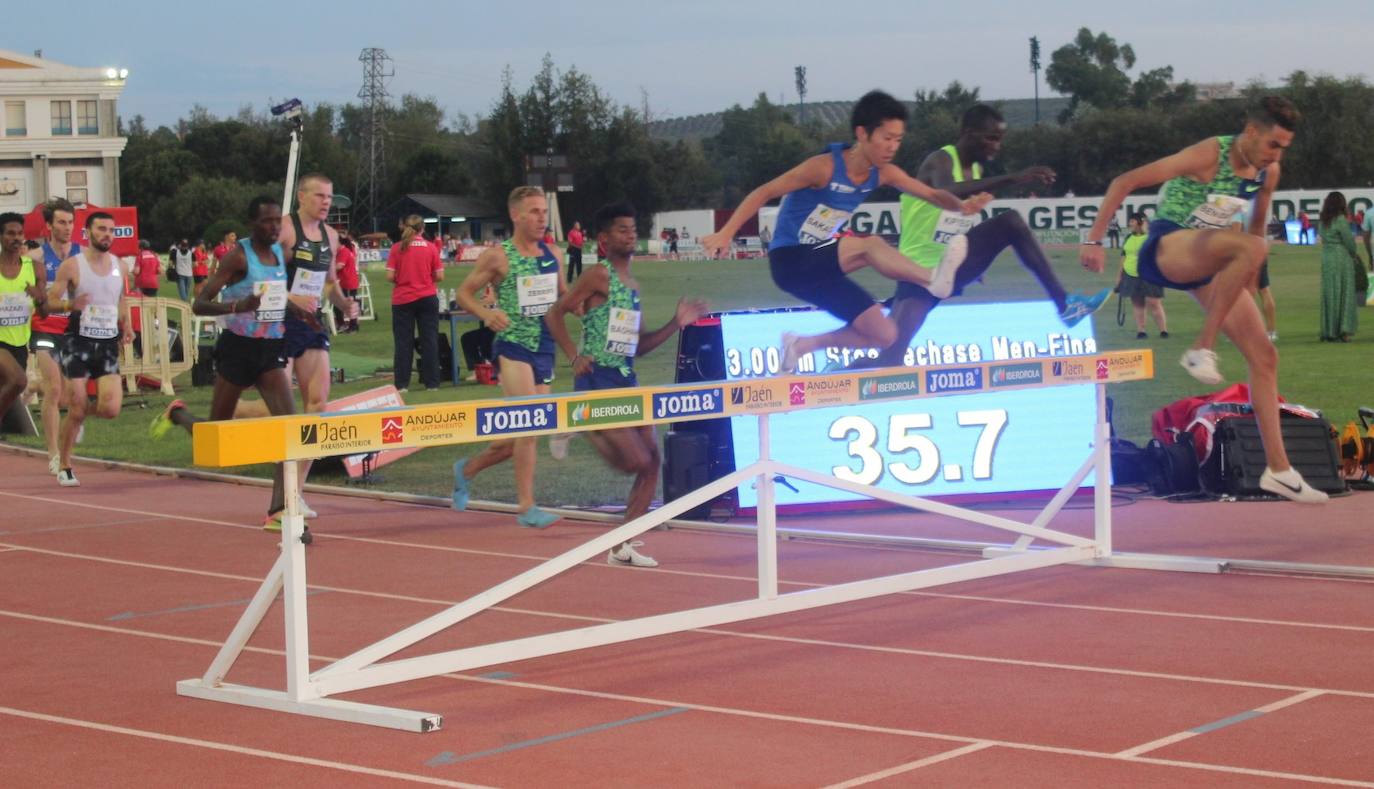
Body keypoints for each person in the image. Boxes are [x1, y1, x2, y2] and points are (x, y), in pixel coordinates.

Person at [1080, 96, 1327, 504]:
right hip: (1166, 249)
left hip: (1211, 260)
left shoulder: (1267, 172)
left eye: (1283, 147)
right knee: (1251, 248)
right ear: (1251, 131)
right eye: (1272, 144)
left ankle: (1279, 471)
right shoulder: (1209, 154)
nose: (1276, 155)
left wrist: (1244, 281)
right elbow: (1125, 181)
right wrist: (1093, 240)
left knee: (1265, 356)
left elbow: (1257, 225)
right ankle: (1202, 347)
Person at [702, 90, 988, 372]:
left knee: (886, 335)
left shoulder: (884, 173)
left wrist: (962, 207)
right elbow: (764, 192)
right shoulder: (822, 169)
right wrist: (726, 232)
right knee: (869, 246)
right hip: (790, 259)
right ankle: (933, 279)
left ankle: (801, 346)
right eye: (886, 138)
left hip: (817, 271)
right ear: (863, 134)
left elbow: (934, 195)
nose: (892, 147)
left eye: (898, 140)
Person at [854, 103, 1107, 370]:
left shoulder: (973, 173)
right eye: (991, 138)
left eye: (1000, 139)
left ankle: (1065, 305)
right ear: (968, 133)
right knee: (890, 359)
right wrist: (1012, 178)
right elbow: (948, 191)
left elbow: (952, 220)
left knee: (1010, 223)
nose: (996, 146)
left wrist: (975, 261)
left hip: (950, 268)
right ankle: (835, 378)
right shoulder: (940, 160)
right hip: (917, 273)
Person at [545, 202, 708, 567]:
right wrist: (573, 355)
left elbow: (640, 346)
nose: (631, 234)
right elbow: (554, 313)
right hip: (597, 379)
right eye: (622, 230)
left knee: (653, 464)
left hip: (626, 379)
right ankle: (578, 422)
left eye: (633, 229)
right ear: (603, 240)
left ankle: (622, 547)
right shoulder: (597, 276)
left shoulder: (631, 285)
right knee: (635, 460)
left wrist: (676, 323)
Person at [150, 196, 311, 537]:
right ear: (252, 224)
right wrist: (239, 305)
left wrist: (296, 311)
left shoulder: (280, 254)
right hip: (238, 350)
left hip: (270, 349)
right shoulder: (238, 257)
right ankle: (178, 414)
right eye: (266, 222)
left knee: (290, 429)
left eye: (277, 222)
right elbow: (199, 304)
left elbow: (274, 296)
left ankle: (279, 511)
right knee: (216, 435)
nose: (273, 227)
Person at [451, 186, 566, 529]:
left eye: (543, 212)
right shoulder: (499, 256)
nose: (541, 217)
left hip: (544, 346)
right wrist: (486, 315)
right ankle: (526, 506)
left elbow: (564, 297)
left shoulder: (553, 254)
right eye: (533, 211)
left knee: (523, 433)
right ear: (516, 215)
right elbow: (463, 293)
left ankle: (467, 469)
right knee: (529, 423)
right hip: (513, 345)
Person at [275, 173, 358, 519]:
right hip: (278, 321)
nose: (326, 202)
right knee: (280, 410)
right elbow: (259, 271)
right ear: (302, 197)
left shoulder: (332, 237)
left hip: (309, 324)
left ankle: (295, 493)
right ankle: (230, 416)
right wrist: (287, 294)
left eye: (330, 196)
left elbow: (330, 284)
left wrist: (344, 305)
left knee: (318, 404)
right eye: (320, 195)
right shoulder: (285, 228)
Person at [47, 212, 134, 487]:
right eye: (101, 229)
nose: (107, 234)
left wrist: (127, 325)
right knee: (77, 404)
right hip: (78, 343)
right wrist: (68, 305)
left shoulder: (120, 266)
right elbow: (49, 302)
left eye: (111, 230)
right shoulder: (72, 266)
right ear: (87, 232)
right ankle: (65, 464)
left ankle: (80, 416)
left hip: (108, 343)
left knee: (110, 408)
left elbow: (121, 299)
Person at [30, 198, 80, 475]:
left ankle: (30, 387)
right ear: (49, 226)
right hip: (44, 328)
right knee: (55, 389)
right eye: (61, 222)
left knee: (72, 395)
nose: (67, 227)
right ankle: (52, 453)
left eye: (71, 222)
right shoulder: (36, 258)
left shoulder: (81, 255)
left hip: (72, 331)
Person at [0, 213, 51, 418]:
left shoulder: (35, 269)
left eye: (20, 233)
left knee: (10, 385)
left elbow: (44, 314)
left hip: (20, 343)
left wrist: (40, 298)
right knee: (19, 380)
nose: (16, 238)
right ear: (1, 237)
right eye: (10, 233)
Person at [387, 214, 444, 391]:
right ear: (422, 229)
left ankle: (402, 384)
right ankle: (432, 383)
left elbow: (389, 276)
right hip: (427, 297)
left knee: (403, 342)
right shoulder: (431, 247)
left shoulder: (397, 248)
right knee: (430, 340)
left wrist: (402, 279)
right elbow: (440, 276)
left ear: (405, 227)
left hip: (403, 299)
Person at [1115, 213, 1168, 339]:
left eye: (1132, 221)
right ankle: (1141, 331)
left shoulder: (1151, 236)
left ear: (1140, 222)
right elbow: (1124, 256)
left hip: (1150, 273)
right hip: (1131, 274)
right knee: (1137, 303)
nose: (1130, 224)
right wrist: (1119, 275)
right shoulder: (1128, 237)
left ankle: (1163, 330)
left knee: (1153, 302)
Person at [1317, 191, 1359, 342]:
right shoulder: (1341, 220)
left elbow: (1321, 237)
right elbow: (1349, 242)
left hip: (1327, 257)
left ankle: (1329, 330)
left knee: (1330, 293)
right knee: (1344, 293)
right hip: (1341, 258)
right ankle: (1343, 330)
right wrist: (1354, 254)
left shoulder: (1323, 220)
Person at [334, 233, 361, 333]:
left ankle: (352, 326)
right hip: (346, 282)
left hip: (348, 282)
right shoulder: (343, 251)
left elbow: (339, 266)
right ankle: (345, 324)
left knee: (349, 304)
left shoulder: (344, 251)